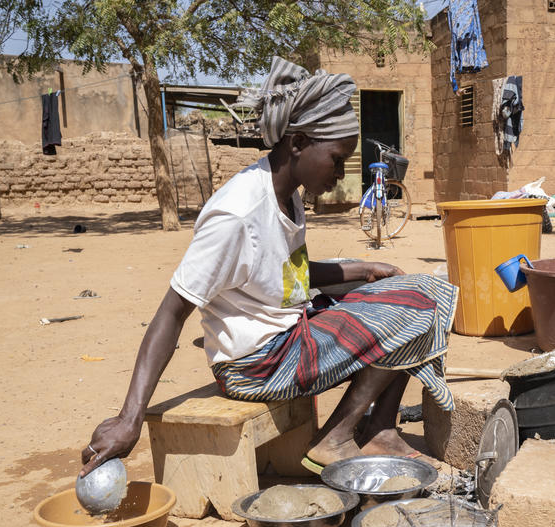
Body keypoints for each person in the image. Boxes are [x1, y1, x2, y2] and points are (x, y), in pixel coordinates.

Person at [80, 57, 457, 478]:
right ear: (297, 143)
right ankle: (335, 437)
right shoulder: (237, 214)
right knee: (416, 306)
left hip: (288, 335)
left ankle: (380, 429)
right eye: (336, 159)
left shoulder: (287, 194)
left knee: (420, 288)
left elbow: (287, 274)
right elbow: (171, 313)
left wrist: (363, 269)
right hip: (256, 364)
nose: (340, 174)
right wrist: (130, 418)